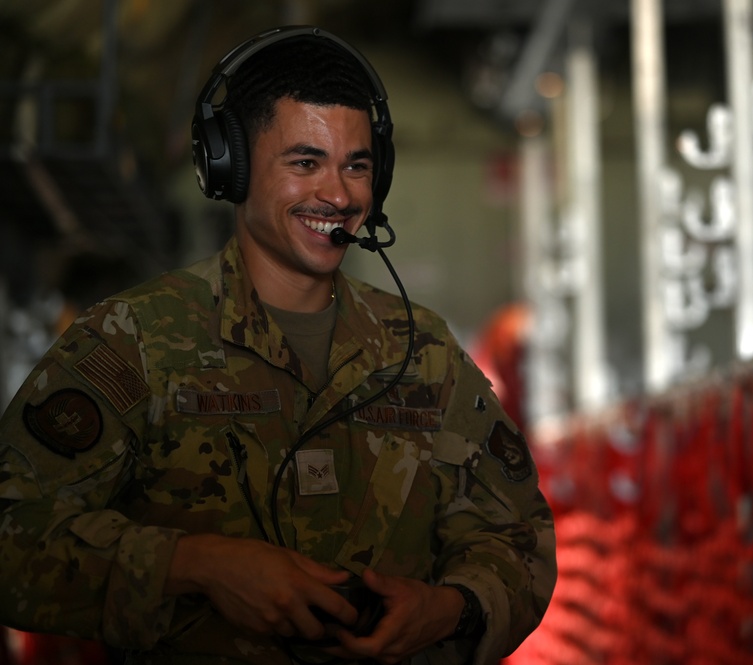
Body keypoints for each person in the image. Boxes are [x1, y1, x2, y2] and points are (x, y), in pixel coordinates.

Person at [0, 25, 556, 665]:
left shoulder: (422, 350)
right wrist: (195, 563)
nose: (339, 195)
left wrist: (451, 608)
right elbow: (13, 535)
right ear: (228, 166)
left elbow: (518, 537)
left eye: (357, 165)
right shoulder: (136, 341)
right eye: (304, 162)